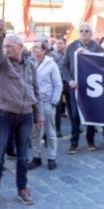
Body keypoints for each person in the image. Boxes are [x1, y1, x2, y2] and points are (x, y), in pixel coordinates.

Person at [0, 21, 42, 209]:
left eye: (11, 46)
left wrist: (38, 114)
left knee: (23, 156)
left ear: (21, 48)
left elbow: (35, 89)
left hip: (25, 115)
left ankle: (22, 188)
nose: (7, 49)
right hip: (4, 115)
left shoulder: (30, 64)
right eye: (6, 46)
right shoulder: (1, 63)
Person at [60, 23, 103, 153]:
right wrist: (70, 81)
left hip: (92, 88)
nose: (84, 33)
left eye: (87, 31)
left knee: (90, 114)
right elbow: (64, 66)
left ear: (91, 33)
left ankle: (91, 141)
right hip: (76, 88)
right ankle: (74, 143)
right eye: (82, 31)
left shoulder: (97, 47)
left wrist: (87, 53)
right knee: (74, 115)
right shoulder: (71, 47)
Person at [29, 40, 62, 170]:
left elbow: (58, 84)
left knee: (50, 131)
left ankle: (51, 158)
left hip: (47, 102)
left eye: (37, 47)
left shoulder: (51, 64)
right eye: (33, 47)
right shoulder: (29, 62)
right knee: (35, 131)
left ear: (43, 50)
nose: (34, 49)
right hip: (33, 103)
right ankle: (36, 157)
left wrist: (54, 101)